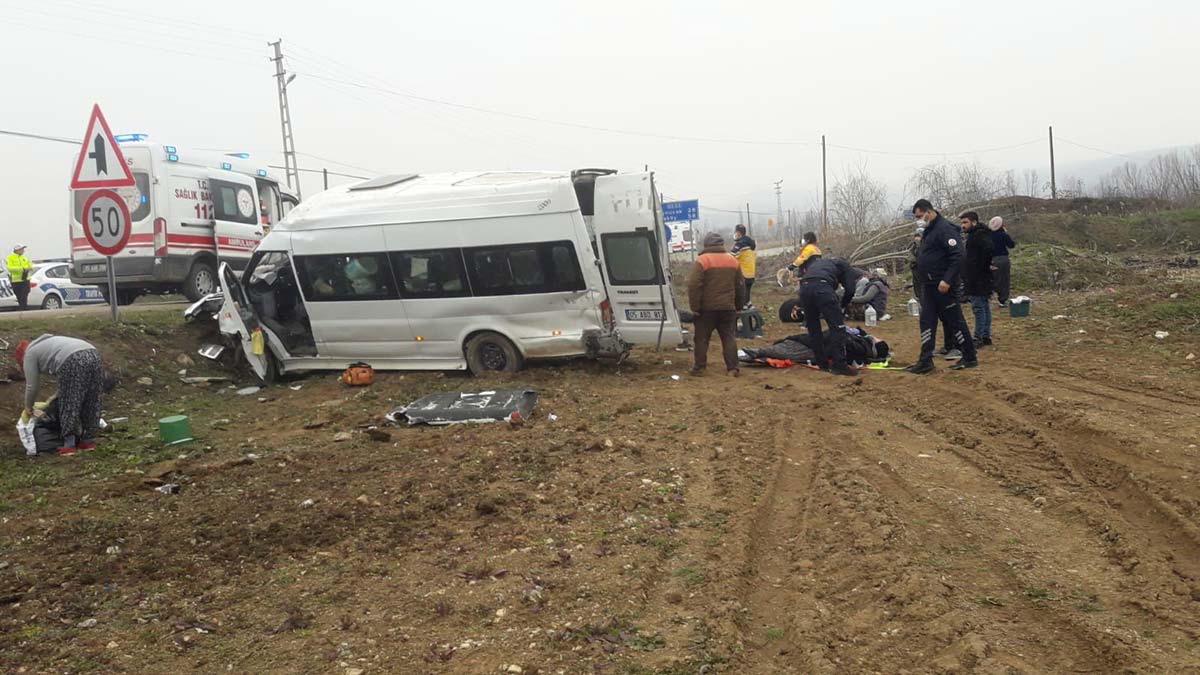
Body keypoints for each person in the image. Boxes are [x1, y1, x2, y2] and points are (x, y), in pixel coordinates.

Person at [906, 199, 978, 374]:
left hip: (943, 286)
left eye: (919, 216)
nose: (918, 220)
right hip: (929, 286)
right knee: (926, 321)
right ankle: (925, 360)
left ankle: (969, 356)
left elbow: (958, 256)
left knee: (955, 321)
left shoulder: (945, 229)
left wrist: (947, 279)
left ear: (928, 212)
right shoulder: (928, 231)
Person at [16, 335, 105, 455]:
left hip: (73, 359)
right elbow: (68, 384)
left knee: (69, 403)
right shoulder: (47, 344)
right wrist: (55, 396)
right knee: (91, 399)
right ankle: (87, 441)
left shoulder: (29, 355)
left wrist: (28, 406)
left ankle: (69, 445)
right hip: (93, 354)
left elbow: (32, 386)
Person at [687, 232, 746, 377]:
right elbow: (740, 286)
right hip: (728, 308)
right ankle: (733, 368)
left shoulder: (702, 260)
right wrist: (739, 306)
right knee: (728, 338)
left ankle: (699, 368)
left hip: (706, 309)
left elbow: (693, 285)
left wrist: (695, 307)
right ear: (721, 244)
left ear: (706, 245)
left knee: (701, 338)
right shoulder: (732, 260)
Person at [796, 256, 859, 376]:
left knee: (813, 328)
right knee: (837, 328)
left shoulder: (820, 263)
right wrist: (843, 305)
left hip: (804, 288)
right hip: (822, 287)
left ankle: (822, 363)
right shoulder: (847, 267)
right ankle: (839, 365)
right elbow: (850, 290)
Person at [960, 212, 995, 348]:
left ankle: (978, 337)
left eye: (965, 222)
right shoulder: (978, 234)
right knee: (984, 307)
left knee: (979, 308)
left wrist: (981, 267)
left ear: (973, 222)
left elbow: (988, 250)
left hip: (977, 279)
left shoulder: (978, 235)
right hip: (979, 277)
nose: (963, 226)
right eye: (962, 223)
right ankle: (985, 335)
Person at [988, 216, 1016, 306]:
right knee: (1004, 279)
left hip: (990, 259)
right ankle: (1003, 299)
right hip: (1002, 259)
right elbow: (1012, 245)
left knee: (994, 278)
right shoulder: (1003, 234)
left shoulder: (987, 235)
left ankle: (989, 294)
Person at [729, 225, 757, 309]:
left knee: (741, 293)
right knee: (746, 292)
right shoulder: (750, 243)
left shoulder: (740, 244)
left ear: (738, 233)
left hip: (743, 273)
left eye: (735, 232)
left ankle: (744, 307)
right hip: (751, 273)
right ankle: (748, 303)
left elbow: (732, 256)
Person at [6, 244, 33, 310]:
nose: (23, 251)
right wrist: (22, 269)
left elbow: (30, 266)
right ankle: (22, 310)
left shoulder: (25, 257)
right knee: (19, 296)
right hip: (16, 281)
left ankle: (23, 309)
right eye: (22, 249)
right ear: (17, 250)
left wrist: (29, 268)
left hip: (25, 279)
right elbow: (10, 268)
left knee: (24, 295)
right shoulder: (10, 258)